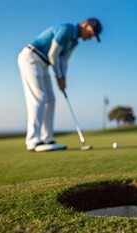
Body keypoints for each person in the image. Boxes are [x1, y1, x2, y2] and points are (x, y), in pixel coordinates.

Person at [18, 18, 102, 151]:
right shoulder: (66, 30)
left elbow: (63, 61)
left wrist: (63, 79)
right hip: (32, 57)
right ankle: (33, 141)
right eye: (91, 33)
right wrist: (59, 76)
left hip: (44, 64)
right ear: (85, 24)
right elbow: (53, 55)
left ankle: (47, 138)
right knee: (39, 97)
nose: (90, 37)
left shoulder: (74, 43)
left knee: (51, 99)